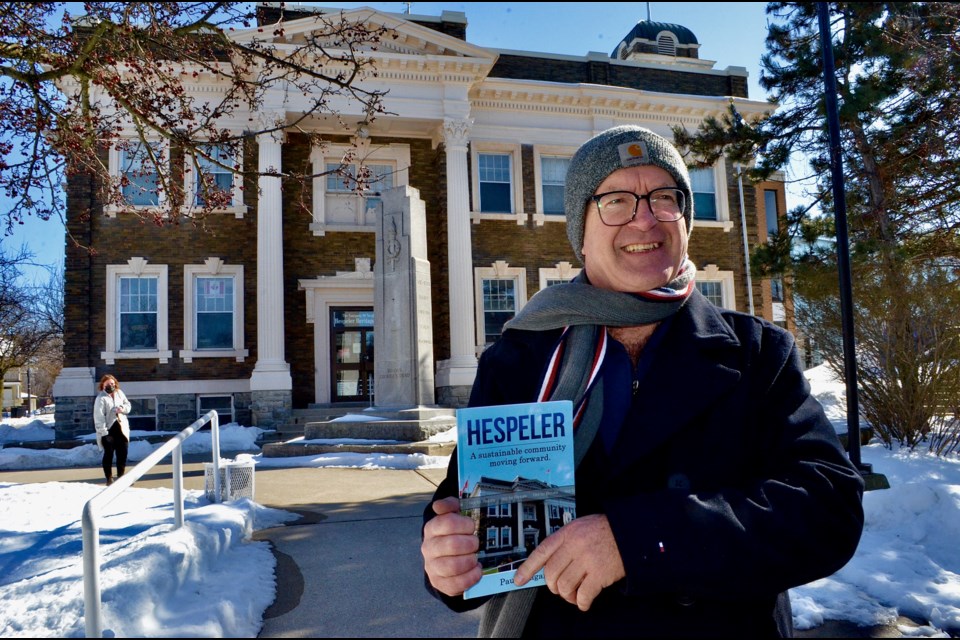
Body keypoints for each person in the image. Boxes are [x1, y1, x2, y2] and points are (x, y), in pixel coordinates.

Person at [421, 125, 865, 637]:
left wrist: (638, 540)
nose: (644, 219)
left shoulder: (757, 353)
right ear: (580, 230)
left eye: (663, 197)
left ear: (685, 216)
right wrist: (446, 559)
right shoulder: (520, 359)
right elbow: (465, 506)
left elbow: (827, 507)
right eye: (616, 201)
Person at [93, 374, 132, 486]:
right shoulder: (101, 398)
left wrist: (122, 409)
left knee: (122, 453)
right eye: (108, 383)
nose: (111, 385)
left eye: (112, 383)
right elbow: (98, 416)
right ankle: (109, 478)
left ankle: (121, 477)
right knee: (109, 454)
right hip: (108, 430)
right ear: (103, 384)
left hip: (121, 428)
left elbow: (128, 405)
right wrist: (104, 432)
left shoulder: (119, 393)